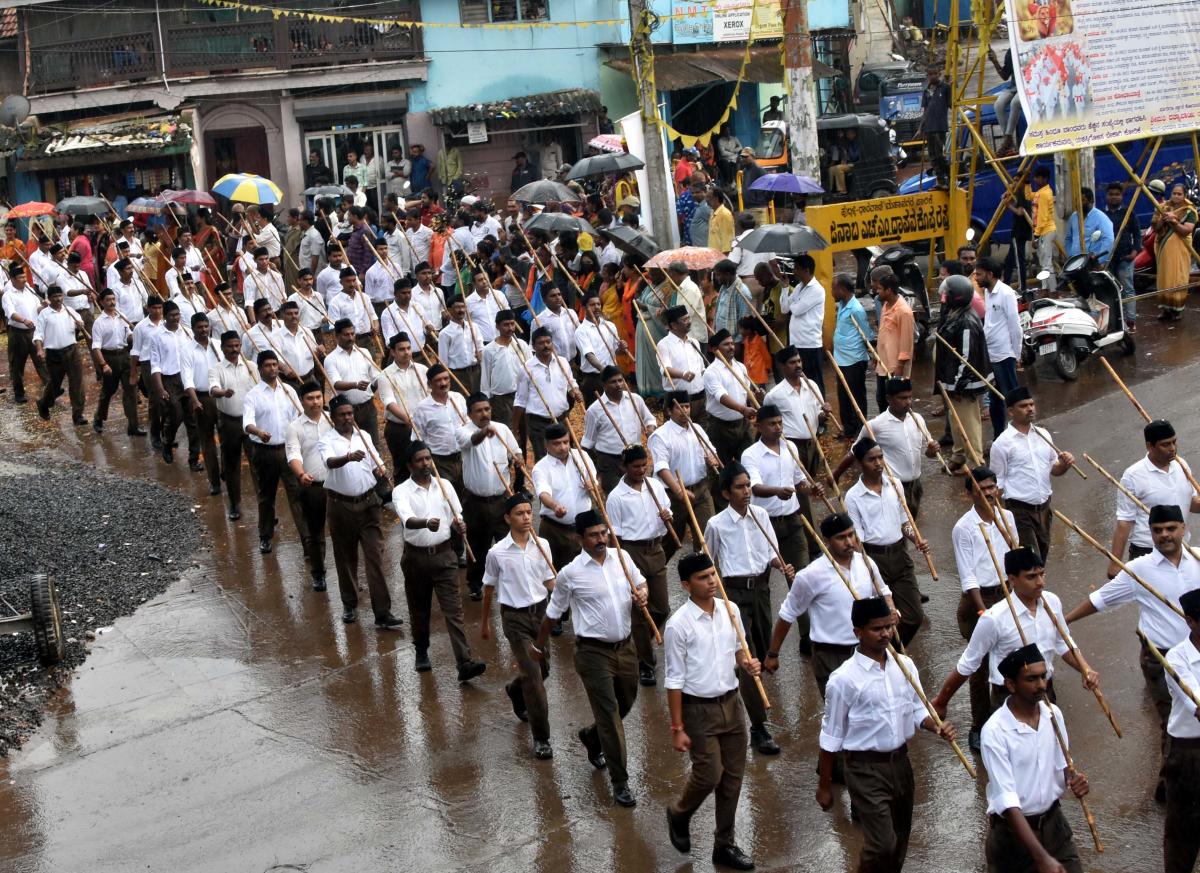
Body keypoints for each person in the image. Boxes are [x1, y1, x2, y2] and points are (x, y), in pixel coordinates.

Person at [1066, 504, 1198, 805]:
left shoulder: (1199, 558)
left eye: (1170, 528)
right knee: (1173, 721)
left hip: (1198, 656)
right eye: (1157, 530)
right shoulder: (1138, 571)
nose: (1164, 535)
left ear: (1183, 528)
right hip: (1161, 660)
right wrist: (1061, 622)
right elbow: (1100, 600)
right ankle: (1172, 785)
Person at [818, 596, 957, 873]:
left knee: (900, 842)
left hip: (901, 765)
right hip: (864, 769)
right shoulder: (843, 680)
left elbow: (919, 710)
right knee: (882, 843)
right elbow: (830, 736)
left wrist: (936, 726)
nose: (885, 634)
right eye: (876, 629)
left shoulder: (905, 666)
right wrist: (824, 784)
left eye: (888, 627)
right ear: (858, 632)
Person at [532, 509, 649, 808]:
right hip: (592, 653)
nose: (601, 539)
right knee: (610, 716)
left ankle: (591, 736)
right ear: (579, 538)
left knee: (626, 702)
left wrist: (643, 595)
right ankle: (620, 782)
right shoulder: (571, 574)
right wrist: (539, 649)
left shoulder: (622, 559)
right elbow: (551, 615)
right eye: (594, 535)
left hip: (625, 648)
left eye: (603, 533)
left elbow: (642, 584)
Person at [664, 551, 759, 872]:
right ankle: (679, 813)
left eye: (713, 574)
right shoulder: (679, 625)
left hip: (732, 704)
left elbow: (737, 651)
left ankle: (725, 845)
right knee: (709, 774)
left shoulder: (730, 610)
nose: (712, 581)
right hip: (697, 711)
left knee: (732, 779)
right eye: (704, 578)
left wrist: (748, 663)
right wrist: (677, 728)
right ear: (686, 584)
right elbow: (674, 680)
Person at [931, 546, 1097, 719]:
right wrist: (942, 701)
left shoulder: (1052, 603)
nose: (1040, 582)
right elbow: (968, 663)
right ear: (1012, 579)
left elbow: (1063, 642)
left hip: (1046, 691)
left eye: (1042, 574)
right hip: (1009, 699)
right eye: (1031, 577)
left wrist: (1085, 669)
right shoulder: (994, 618)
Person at [703, 464, 792, 756]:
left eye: (748, 486)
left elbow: (772, 553)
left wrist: (783, 565)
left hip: (762, 592)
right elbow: (709, 561)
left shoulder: (761, 515)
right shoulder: (716, 524)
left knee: (766, 652)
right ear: (726, 492)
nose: (746, 492)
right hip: (735, 594)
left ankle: (749, 701)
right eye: (740, 487)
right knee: (749, 659)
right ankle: (758, 727)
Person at [978, 644, 1089, 873]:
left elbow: (1063, 766)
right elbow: (1007, 803)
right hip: (1012, 839)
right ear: (1010, 685)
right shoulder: (994, 732)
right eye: (1031, 679)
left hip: (1054, 827)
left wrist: (1075, 779)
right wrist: (1041, 857)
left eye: (1043, 676)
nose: (1041, 685)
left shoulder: (1053, 715)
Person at [764, 512, 890, 695]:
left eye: (851, 534)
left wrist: (892, 610)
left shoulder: (866, 562)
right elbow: (787, 614)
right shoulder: (811, 575)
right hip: (831, 656)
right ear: (827, 541)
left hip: (865, 651)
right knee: (840, 716)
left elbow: (883, 591)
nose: (849, 542)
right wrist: (773, 653)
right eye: (841, 538)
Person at [392, 440, 487, 677]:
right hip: (416, 559)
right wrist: (426, 522)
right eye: (420, 460)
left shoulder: (444, 485)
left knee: (453, 610)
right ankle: (421, 651)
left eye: (428, 459)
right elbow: (407, 520)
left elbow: (455, 516)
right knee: (419, 608)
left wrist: (459, 524)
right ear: (409, 465)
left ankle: (464, 662)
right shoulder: (401, 491)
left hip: (444, 556)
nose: (426, 464)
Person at [481, 492, 556, 759]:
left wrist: (564, 594)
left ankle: (515, 689)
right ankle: (542, 739)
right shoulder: (497, 552)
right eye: (520, 513)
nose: (526, 517)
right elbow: (488, 588)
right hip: (514, 619)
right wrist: (485, 624)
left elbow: (549, 582)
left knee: (542, 669)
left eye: (529, 512)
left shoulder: (543, 545)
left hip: (542, 616)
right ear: (507, 518)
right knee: (535, 679)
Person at [952, 466, 1019, 751]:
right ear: (969, 493)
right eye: (982, 489)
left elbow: (1015, 555)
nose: (990, 493)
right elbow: (968, 576)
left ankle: (1008, 719)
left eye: (992, 487)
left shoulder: (1007, 517)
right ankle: (979, 725)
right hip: (979, 600)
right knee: (978, 667)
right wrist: (983, 611)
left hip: (1007, 593)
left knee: (1009, 660)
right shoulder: (963, 528)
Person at [843, 437, 929, 645]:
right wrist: (866, 568)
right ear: (860, 463)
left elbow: (904, 521)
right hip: (873, 559)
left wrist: (916, 537)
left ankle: (892, 651)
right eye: (872, 459)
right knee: (879, 618)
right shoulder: (853, 496)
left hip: (901, 556)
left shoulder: (895, 483)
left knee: (913, 616)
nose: (878, 463)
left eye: (881, 457)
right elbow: (857, 539)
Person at [606, 444, 673, 686]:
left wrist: (668, 517)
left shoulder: (654, 485)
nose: (641, 470)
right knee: (639, 610)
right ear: (624, 467)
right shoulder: (616, 497)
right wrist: (621, 564)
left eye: (645, 465)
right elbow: (616, 537)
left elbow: (668, 511)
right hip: (631, 552)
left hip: (656, 548)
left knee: (662, 607)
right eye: (636, 466)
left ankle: (641, 636)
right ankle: (646, 664)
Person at [990, 387, 1076, 559]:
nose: (1030, 409)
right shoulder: (1002, 444)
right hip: (1019, 512)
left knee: (1041, 560)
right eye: (1023, 406)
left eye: (1032, 404)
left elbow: (1054, 469)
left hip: (1045, 510)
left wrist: (1065, 465)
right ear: (1011, 411)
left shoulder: (1043, 435)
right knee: (1031, 561)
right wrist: (998, 519)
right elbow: (995, 484)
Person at [833, 377, 937, 515]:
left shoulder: (917, 419)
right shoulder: (876, 425)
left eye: (910, 397)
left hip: (915, 486)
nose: (908, 402)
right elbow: (855, 451)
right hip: (892, 488)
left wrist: (932, 451)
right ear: (889, 399)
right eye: (902, 398)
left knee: (911, 526)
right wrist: (835, 474)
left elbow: (929, 453)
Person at [742, 404, 822, 578]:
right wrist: (777, 491)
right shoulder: (750, 455)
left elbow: (799, 482)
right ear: (758, 426)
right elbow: (755, 488)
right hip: (764, 524)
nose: (778, 427)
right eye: (772, 424)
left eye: (780, 423)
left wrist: (811, 489)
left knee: (801, 577)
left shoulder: (791, 448)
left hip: (793, 521)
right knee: (761, 578)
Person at [1105, 420, 1200, 567]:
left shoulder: (1182, 465)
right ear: (1149, 446)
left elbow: (1190, 502)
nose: (1173, 448)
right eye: (1166, 444)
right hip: (1147, 551)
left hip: (1181, 547)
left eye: (1174, 442)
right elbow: (1124, 521)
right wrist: (1115, 564)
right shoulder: (1133, 476)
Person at [458, 392, 522, 600]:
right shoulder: (463, 432)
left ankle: (510, 580)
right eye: (479, 411)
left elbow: (516, 450)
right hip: (476, 502)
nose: (484, 414)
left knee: (508, 541)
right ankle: (476, 583)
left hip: (502, 499)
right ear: (469, 414)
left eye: (487, 409)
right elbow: (472, 441)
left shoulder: (502, 429)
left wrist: (519, 459)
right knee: (478, 544)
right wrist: (485, 432)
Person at [242, 350, 304, 555]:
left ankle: (307, 541)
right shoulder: (253, 396)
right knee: (266, 496)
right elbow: (247, 423)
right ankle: (265, 536)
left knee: (296, 495)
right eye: (268, 365)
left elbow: (299, 418)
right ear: (259, 369)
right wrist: (258, 431)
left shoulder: (289, 391)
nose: (272, 369)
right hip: (264, 452)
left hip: (288, 451)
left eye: (275, 365)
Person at [649, 390, 721, 559]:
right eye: (679, 407)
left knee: (707, 538)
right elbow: (661, 468)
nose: (685, 411)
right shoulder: (660, 436)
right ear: (669, 411)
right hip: (673, 496)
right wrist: (679, 492)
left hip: (701, 490)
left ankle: (702, 575)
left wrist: (713, 459)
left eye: (687, 406)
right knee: (671, 542)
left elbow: (713, 453)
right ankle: (653, 573)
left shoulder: (697, 429)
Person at [1160, 587, 1200, 872]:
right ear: (1191, 622)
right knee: (1182, 832)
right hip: (1188, 754)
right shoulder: (1176, 658)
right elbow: (1194, 700)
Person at [934, 274, 989, 470]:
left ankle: (977, 462)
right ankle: (959, 455)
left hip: (964, 383)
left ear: (955, 296)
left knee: (968, 423)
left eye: (946, 294)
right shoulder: (954, 312)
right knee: (955, 420)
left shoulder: (966, 321)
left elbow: (967, 358)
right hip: (953, 380)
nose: (943, 298)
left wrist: (957, 384)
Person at [285, 381, 331, 591]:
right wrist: (301, 474)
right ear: (302, 402)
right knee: (315, 532)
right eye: (310, 399)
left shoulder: (332, 420)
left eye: (318, 397)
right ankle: (318, 572)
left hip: (337, 485)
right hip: (313, 486)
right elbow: (293, 453)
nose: (315, 402)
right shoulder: (295, 428)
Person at [209, 331, 258, 520]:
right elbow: (213, 388)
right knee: (232, 465)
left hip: (250, 422)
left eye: (237, 346)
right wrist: (222, 392)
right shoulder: (217, 369)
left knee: (257, 464)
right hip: (229, 422)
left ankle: (264, 506)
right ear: (222, 348)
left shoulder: (251, 366)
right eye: (230, 346)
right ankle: (234, 503)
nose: (234, 350)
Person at [582, 366, 655, 493]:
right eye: (613, 382)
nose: (618, 384)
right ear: (604, 385)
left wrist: (650, 429)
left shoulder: (635, 399)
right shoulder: (594, 410)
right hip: (609, 462)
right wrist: (595, 467)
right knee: (615, 494)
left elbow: (650, 419)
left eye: (620, 380)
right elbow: (588, 442)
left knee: (636, 493)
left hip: (634, 458)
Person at [513, 325, 580, 459]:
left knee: (565, 457)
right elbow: (520, 400)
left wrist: (575, 391)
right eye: (541, 343)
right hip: (539, 424)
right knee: (544, 460)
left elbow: (570, 383)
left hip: (562, 420)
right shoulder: (526, 369)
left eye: (548, 342)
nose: (546, 346)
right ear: (533, 346)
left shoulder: (562, 362)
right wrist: (515, 428)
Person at [149, 300, 199, 467]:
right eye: (172, 315)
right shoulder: (156, 336)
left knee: (192, 419)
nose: (175, 318)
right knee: (175, 415)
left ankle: (194, 459)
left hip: (187, 378)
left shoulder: (186, 332)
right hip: (169, 379)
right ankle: (167, 443)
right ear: (165, 315)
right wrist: (160, 388)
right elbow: (155, 364)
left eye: (177, 315)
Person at [977, 256, 1023, 439]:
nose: (976, 278)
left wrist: (1016, 354)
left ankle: (1021, 435)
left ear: (990, 274)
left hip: (1005, 355)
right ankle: (999, 437)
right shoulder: (988, 292)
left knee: (1013, 400)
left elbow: (1015, 326)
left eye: (979, 274)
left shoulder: (1006, 293)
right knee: (995, 400)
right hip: (991, 354)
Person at [375, 332, 428, 478]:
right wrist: (409, 420)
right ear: (392, 352)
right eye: (402, 349)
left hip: (424, 426)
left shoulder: (422, 370)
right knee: (404, 469)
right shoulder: (385, 375)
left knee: (426, 467)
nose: (406, 352)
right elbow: (389, 403)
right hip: (400, 429)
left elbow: (430, 395)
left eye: (408, 348)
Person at [32, 285, 87, 426]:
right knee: (55, 385)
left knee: (77, 383)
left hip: (72, 351)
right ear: (49, 299)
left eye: (60, 296)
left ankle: (78, 414)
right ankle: (44, 403)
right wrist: (39, 349)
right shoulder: (44, 314)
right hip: (54, 355)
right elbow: (38, 334)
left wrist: (80, 324)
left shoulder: (69, 310)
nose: (58, 299)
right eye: (55, 297)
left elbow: (79, 323)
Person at [703, 330, 757, 467]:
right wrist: (742, 409)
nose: (731, 347)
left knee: (748, 464)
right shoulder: (711, 372)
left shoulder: (741, 367)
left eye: (732, 343)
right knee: (722, 468)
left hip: (742, 425)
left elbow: (746, 393)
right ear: (715, 349)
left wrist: (757, 397)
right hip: (720, 428)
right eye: (726, 344)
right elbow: (721, 396)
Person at [91, 288, 140, 435]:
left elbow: (129, 336)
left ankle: (133, 426)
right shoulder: (98, 323)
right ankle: (99, 417)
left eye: (113, 299)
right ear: (101, 302)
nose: (112, 302)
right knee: (108, 390)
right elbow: (96, 347)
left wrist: (137, 335)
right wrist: (103, 364)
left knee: (131, 390)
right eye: (108, 300)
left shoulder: (122, 317)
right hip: (109, 357)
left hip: (125, 356)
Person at [324, 319, 380, 445]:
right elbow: (336, 383)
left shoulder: (364, 352)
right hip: (345, 412)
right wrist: (355, 385)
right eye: (346, 334)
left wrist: (382, 380)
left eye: (352, 334)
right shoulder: (331, 359)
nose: (350, 337)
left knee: (373, 444)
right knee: (349, 445)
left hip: (368, 407)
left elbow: (375, 377)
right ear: (337, 336)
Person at [830, 273, 870, 436]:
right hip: (841, 359)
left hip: (854, 360)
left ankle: (861, 429)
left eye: (833, 288)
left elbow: (866, 334)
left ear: (842, 289)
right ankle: (848, 428)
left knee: (856, 396)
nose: (831, 291)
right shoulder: (841, 304)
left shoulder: (856, 309)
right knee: (843, 395)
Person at [870, 267, 915, 414]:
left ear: (889, 290)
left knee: (899, 403)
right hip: (883, 363)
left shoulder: (904, 311)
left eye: (880, 289)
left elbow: (907, 342)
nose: (877, 292)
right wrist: (876, 355)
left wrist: (900, 366)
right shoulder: (885, 306)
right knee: (882, 400)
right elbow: (883, 333)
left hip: (895, 366)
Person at [778, 254, 825, 393]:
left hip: (810, 344)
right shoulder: (798, 287)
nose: (794, 272)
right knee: (801, 382)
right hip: (797, 343)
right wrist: (785, 288)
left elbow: (796, 310)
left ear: (806, 270)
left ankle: (822, 411)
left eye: (797, 269)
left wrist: (794, 303)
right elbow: (784, 308)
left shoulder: (817, 289)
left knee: (815, 382)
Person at [3, 265, 48, 404]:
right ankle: (19, 393)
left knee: (41, 360)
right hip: (18, 333)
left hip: (34, 332)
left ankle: (51, 387)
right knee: (17, 364)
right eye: (21, 277)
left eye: (24, 277)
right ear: (13, 279)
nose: (24, 279)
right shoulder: (8, 295)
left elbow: (37, 308)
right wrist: (24, 320)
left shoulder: (30, 291)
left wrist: (44, 306)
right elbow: (10, 313)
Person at [658, 305, 708, 423]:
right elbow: (665, 370)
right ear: (673, 325)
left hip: (699, 399)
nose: (688, 322)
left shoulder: (694, 342)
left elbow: (702, 370)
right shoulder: (663, 344)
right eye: (684, 320)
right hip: (678, 402)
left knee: (700, 434)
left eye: (688, 318)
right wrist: (683, 374)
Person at [1154, 182, 1197, 321]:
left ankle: (1176, 310)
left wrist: (1174, 221)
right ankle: (1165, 309)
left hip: (1181, 248)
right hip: (1164, 248)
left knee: (1178, 277)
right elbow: (1155, 227)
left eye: (1180, 194)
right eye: (1174, 193)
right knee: (1164, 277)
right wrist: (1164, 218)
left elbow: (1186, 231)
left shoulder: (1190, 210)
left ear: (1185, 196)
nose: (1176, 196)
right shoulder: (1163, 207)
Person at [1104, 182, 1142, 329]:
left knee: (1127, 289)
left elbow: (1137, 234)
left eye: (1117, 194)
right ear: (1106, 196)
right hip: (1108, 259)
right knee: (1111, 290)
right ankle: (1115, 322)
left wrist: (1134, 252)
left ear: (1122, 197)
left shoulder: (1128, 213)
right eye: (1111, 194)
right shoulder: (1102, 215)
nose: (1114, 197)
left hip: (1126, 257)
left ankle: (1130, 320)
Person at [577, 294, 627, 404]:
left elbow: (617, 352)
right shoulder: (581, 331)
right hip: (593, 378)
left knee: (616, 407)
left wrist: (622, 348)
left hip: (612, 376)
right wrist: (604, 371)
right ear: (585, 308)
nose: (596, 307)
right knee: (596, 411)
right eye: (592, 305)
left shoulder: (610, 326)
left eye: (598, 304)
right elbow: (589, 355)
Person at [439, 295, 484, 394]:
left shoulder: (474, 327)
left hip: (475, 372)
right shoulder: (445, 333)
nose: (461, 310)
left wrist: (480, 354)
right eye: (457, 307)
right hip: (457, 375)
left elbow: (480, 347)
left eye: (463, 307)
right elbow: (443, 362)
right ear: (449, 310)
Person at [918, 66, 951, 187]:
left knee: (940, 155)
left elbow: (952, 104)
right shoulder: (926, 91)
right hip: (928, 128)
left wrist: (953, 87)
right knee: (932, 157)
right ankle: (941, 180)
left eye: (935, 74)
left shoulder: (945, 88)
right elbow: (925, 111)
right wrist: (920, 128)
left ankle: (950, 176)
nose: (932, 76)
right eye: (930, 74)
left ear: (939, 74)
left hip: (939, 127)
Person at [1027, 167, 1058, 295]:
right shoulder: (1041, 192)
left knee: (1046, 263)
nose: (1035, 179)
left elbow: (1043, 217)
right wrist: (1026, 183)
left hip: (1046, 231)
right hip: (1043, 231)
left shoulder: (1044, 194)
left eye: (1037, 177)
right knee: (1043, 262)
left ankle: (1053, 290)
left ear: (1044, 179)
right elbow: (1028, 196)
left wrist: (1036, 235)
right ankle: (1045, 288)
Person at [1064, 187, 1114, 259]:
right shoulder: (1073, 217)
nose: (1079, 203)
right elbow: (1068, 238)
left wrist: (1099, 260)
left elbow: (1108, 240)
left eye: (1083, 200)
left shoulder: (1100, 218)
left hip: (1091, 263)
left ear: (1092, 201)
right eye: (1077, 200)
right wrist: (1070, 256)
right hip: (1075, 263)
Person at [708, 189, 735, 253]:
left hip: (721, 256)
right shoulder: (712, 212)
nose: (706, 200)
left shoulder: (725, 214)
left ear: (716, 199)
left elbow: (728, 240)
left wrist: (724, 257)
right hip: (713, 255)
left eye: (709, 197)